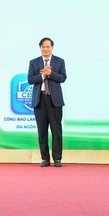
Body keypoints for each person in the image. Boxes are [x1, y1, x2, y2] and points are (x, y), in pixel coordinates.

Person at [27, 37, 67, 167]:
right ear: (40, 48)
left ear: (52, 48)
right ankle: (45, 158)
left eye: (48, 47)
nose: (45, 49)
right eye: (43, 47)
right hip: (40, 100)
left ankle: (57, 158)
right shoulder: (34, 62)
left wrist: (50, 73)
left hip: (55, 101)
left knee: (57, 131)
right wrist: (42, 75)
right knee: (42, 131)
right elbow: (30, 80)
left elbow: (63, 78)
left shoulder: (59, 61)